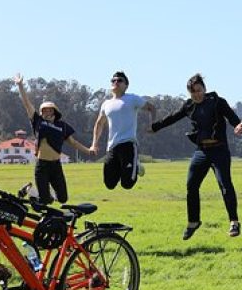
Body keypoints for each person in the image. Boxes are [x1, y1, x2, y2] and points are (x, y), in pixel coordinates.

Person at [150, 73, 242, 239]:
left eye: (199, 90)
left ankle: (234, 222)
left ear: (204, 89)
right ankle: (193, 222)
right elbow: (172, 117)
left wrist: (239, 127)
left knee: (225, 185)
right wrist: (155, 127)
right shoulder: (189, 106)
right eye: (193, 92)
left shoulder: (217, 102)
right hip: (201, 151)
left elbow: (234, 120)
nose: (196, 94)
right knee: (191, 185)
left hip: (219, 150)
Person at [13, 73, 92, 204]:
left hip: (56, 166)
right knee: (44, 201)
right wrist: (20, 85)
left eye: (50, 110)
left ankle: (36, 193)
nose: (47, 113)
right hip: (42, 165)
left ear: (55, 112)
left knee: (63, 199)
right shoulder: (37, 121)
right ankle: (31, 190)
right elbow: (27, 104)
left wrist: (88, 151)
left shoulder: (62, 126)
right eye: (44, 111)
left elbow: (73, 142)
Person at [90, 71, 155, 190]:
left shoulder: (132, 99)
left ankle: (134, 164)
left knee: (127, 184)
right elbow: (99, 124)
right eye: (113, 80)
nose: (116, 82)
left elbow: (151, 108)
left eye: (119, 80)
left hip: (128, 144)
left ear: (126, 85)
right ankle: (127, 167)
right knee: (109, 184)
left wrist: (152, 125)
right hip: (111, 147)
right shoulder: (106, 104)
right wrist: (94, 144)